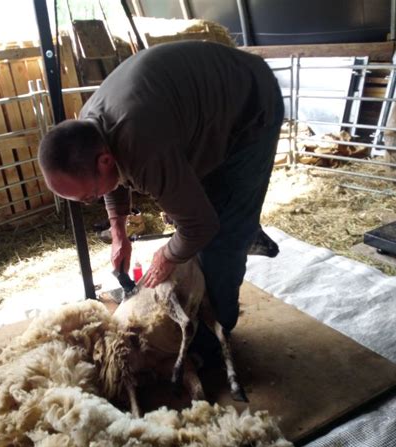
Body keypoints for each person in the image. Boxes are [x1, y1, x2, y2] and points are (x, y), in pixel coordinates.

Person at [38, 40, 283, 355]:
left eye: (89, 196)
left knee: (220, 235)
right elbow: (111, 182)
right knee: (195, 215)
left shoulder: (141, 145)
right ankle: (237, 228)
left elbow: (200, 225)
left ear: (104, 162)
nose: (91, 201)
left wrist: (166, 255)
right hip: (198, 116)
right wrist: (118, 232)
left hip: (249, 109)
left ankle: (215, 338)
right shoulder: (90, 128)